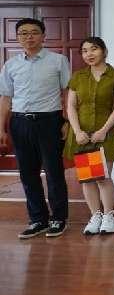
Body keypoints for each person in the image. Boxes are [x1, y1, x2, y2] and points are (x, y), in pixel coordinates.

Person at [0, 18, 70, 239]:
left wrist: (67, 121)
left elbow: (68, 93)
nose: (29, 37)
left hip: (49, 121)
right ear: (17, 37)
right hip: (20, 123)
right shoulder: (11, 65)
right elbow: (6, 98)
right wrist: (1, 128)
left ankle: (58, 218)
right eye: (23, 33)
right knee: (27, 174)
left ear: (43, 36)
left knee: (53, 171)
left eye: (34, 32)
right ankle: (38, 219)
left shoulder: (58, 61)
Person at [65, 36, 114, 235]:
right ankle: (95, 215)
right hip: (81, 136)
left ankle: (109, 216)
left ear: (104, 51)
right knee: (88, 179)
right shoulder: (78, 77)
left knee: (103, 177)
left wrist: (103, 131)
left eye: (94, 49)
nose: (89, 54)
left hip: (105, 134)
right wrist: (77, 131)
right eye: (85, 51)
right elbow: (71, 106)